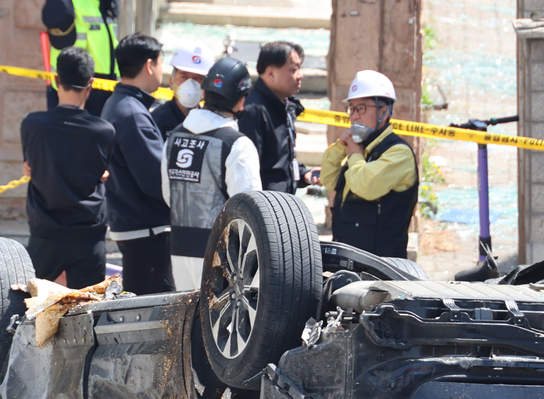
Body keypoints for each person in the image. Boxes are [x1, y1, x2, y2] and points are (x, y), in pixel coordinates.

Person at [161, 55, 262, 290]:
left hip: (179, 247)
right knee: (215, 325)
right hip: (223, 254)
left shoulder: (174, 137)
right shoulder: (237, 144)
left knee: (186, 320)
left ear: (204, 93)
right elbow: (250, 208)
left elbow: (169, 196)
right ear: (240, 102)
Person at [21, 47, 116, 288]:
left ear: (55, 80)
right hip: (88, 234)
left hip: (45, 231)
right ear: (91, 83)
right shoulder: (103, 131)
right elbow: (101, 172)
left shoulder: (32, 125)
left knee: (26, 306)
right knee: (87, 309)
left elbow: (30, 166)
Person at [102, 33, 174, 295]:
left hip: (133, 224)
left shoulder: (118, 104)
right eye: (161, 62)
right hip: (146, 230)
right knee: (156, 310)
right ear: (149, 65)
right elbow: (155, 180)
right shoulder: (132, 112)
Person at [322, 70, 420, 260]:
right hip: (348, 260)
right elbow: (328, 180)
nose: (355, 116)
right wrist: (339, 149)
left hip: (381, 266)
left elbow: (365, 185)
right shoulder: (360, 150)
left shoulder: (398, 153)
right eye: (352, 108)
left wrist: (354, 156)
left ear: (384, 111)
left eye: (362, 108)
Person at [238, 41, 309, 193]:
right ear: (270, 73)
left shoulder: (284, 106)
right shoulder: (253, 111)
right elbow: (248, 171)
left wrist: (304, 174)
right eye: (293, 69)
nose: (300, 75)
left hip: (282, 205)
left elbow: (280, 160)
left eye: (300, 68)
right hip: (263, 208)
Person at [151, 43, 213, 137]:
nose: (190, 83)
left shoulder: (211, 124)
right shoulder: (156, 122)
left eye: (198, 78)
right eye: (184, 76)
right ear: (171, 82)